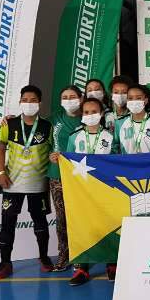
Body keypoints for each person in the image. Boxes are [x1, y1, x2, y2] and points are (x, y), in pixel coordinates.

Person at [0, 85, 54, 280]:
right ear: (20, 102)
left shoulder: (47, 126)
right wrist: (1, 171)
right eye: (25, 100)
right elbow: (1, 147)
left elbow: (54, 151)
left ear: (40, 103)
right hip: (12, 183)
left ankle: (44, 257)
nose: (29, 103)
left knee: (40, 223)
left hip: (38, 184)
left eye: (33, 100)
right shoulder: (8, 125)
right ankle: (4, 263)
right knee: (7, 223)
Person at [64, 98, 116, 286]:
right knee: (83, 227)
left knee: (110, 224)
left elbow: (116, 162)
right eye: (86, 112)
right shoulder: (74, 137)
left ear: (102, 114)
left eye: (94, 111)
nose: (90, 115)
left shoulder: (111, 137)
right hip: (82, 192)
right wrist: (58, 158)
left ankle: (112, 263)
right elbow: (68, 160)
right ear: (82, 115)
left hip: (105, 189)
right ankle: (81, 268)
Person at [47, 85, 84, 271]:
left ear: (81, 98)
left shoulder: (88, 117)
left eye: (72, 96)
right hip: (58, 176)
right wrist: (11, 119)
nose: (68, 100)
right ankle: (64, 254)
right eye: (65, 97)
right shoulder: (55, 119)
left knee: (80, 216)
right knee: (61, 218)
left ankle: (81, 255)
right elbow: (33, 129)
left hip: (82, 177)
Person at [112, 84, 150, 154]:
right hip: (127, 164)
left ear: (145, 100)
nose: (134, 101)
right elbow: (115, 149)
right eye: (130, 98)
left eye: (138, 98)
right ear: (127, 101)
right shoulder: (119, 123)